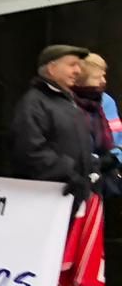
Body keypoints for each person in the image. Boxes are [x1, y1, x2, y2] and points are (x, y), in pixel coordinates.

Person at [11, 45, 104, 202]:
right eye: (72, 65)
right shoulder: (34, 103)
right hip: (48, 199)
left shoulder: (68, 102)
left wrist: (91, 167)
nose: (78, 71)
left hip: (71, 197)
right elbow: (30, 151)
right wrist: (68, 173)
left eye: (79, 66)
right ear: (52, 68)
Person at [75, 54, 122, 193]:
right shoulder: (66, 101)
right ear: (80, 80)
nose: (103, 81)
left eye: (104, 75)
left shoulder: (106, 101)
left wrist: (115, 157)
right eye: (97, 77)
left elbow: (117, 134)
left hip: (107, 173)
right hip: (77, 174)